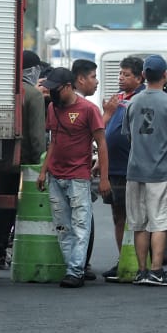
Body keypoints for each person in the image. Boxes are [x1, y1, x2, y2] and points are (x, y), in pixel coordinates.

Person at [120, 55, 167, 286]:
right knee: (160, 222)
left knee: (139, 224)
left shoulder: (132, 102)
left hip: (135, 170)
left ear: (143, 76)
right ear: (165, 76)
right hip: (162, 171)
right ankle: (157, 270)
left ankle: (141, 271)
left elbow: (128, 135)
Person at [37, 68, 109, 288]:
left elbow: (101, 144)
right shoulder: (52, 108)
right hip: (55, 176)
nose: (50, 94)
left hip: (78, 177)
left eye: (54, 89)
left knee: (80, 225)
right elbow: (53, 142)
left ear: (68, 87)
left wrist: (104, 178)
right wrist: (43, 170)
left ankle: (75, 270)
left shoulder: (89, 109)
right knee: (62, 226)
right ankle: (73, 269)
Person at [0, 50, 48, 278]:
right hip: (27, 163)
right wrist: (41, 164)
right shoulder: (33, 95)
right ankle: (24, 255)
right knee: (29, 211)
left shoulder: (3, 91)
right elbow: (38, 136)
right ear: (32, 71)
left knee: (1, 213)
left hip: (2, 162)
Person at [101, 55, 145, 283]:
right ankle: (123, 259)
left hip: (133, 168)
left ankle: (140, 262)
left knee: (136, 217)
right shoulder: (117, 99)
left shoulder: (142, 98)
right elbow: (102, 129)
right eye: (120, 73)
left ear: (140, 78)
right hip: (114, 168)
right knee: (118, 215)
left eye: (126, 75)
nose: (121, 78)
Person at [72, 58, 102, 280]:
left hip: (71, 171)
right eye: (93, 77)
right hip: (79, 171)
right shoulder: (86, 107)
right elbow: (99, 138)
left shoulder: (64, 104)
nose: (97, 82)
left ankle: (76, 264)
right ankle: (80, 265)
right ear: (80, 79)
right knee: (83, 220)